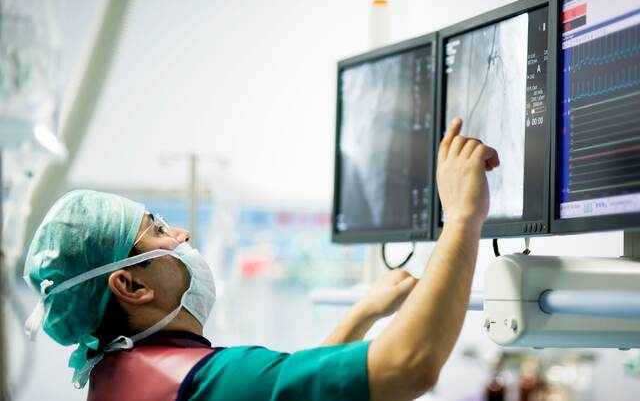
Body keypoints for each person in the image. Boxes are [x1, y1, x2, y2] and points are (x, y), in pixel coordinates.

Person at [23, 117, 498, 401]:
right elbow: (409, 365)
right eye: (160, 231)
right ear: (129, 286)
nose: (183, 233)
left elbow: (291, 388)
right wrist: (462, 216)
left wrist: (363, 312)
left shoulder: (117, 374)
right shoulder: (208, 382)